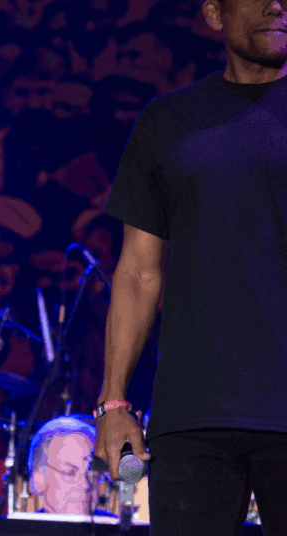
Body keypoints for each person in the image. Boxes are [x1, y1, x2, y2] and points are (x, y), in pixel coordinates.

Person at [96, 1, 287, 535]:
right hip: (193, 414)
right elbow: (137, 271)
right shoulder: (168, 121)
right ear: (214, 13)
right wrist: (113, 402)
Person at [27, 416, 110, 516]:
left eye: (92, 475)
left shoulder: (118, 529)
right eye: (70, 472)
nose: (85, 485)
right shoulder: (16, 531)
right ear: (38, 480)